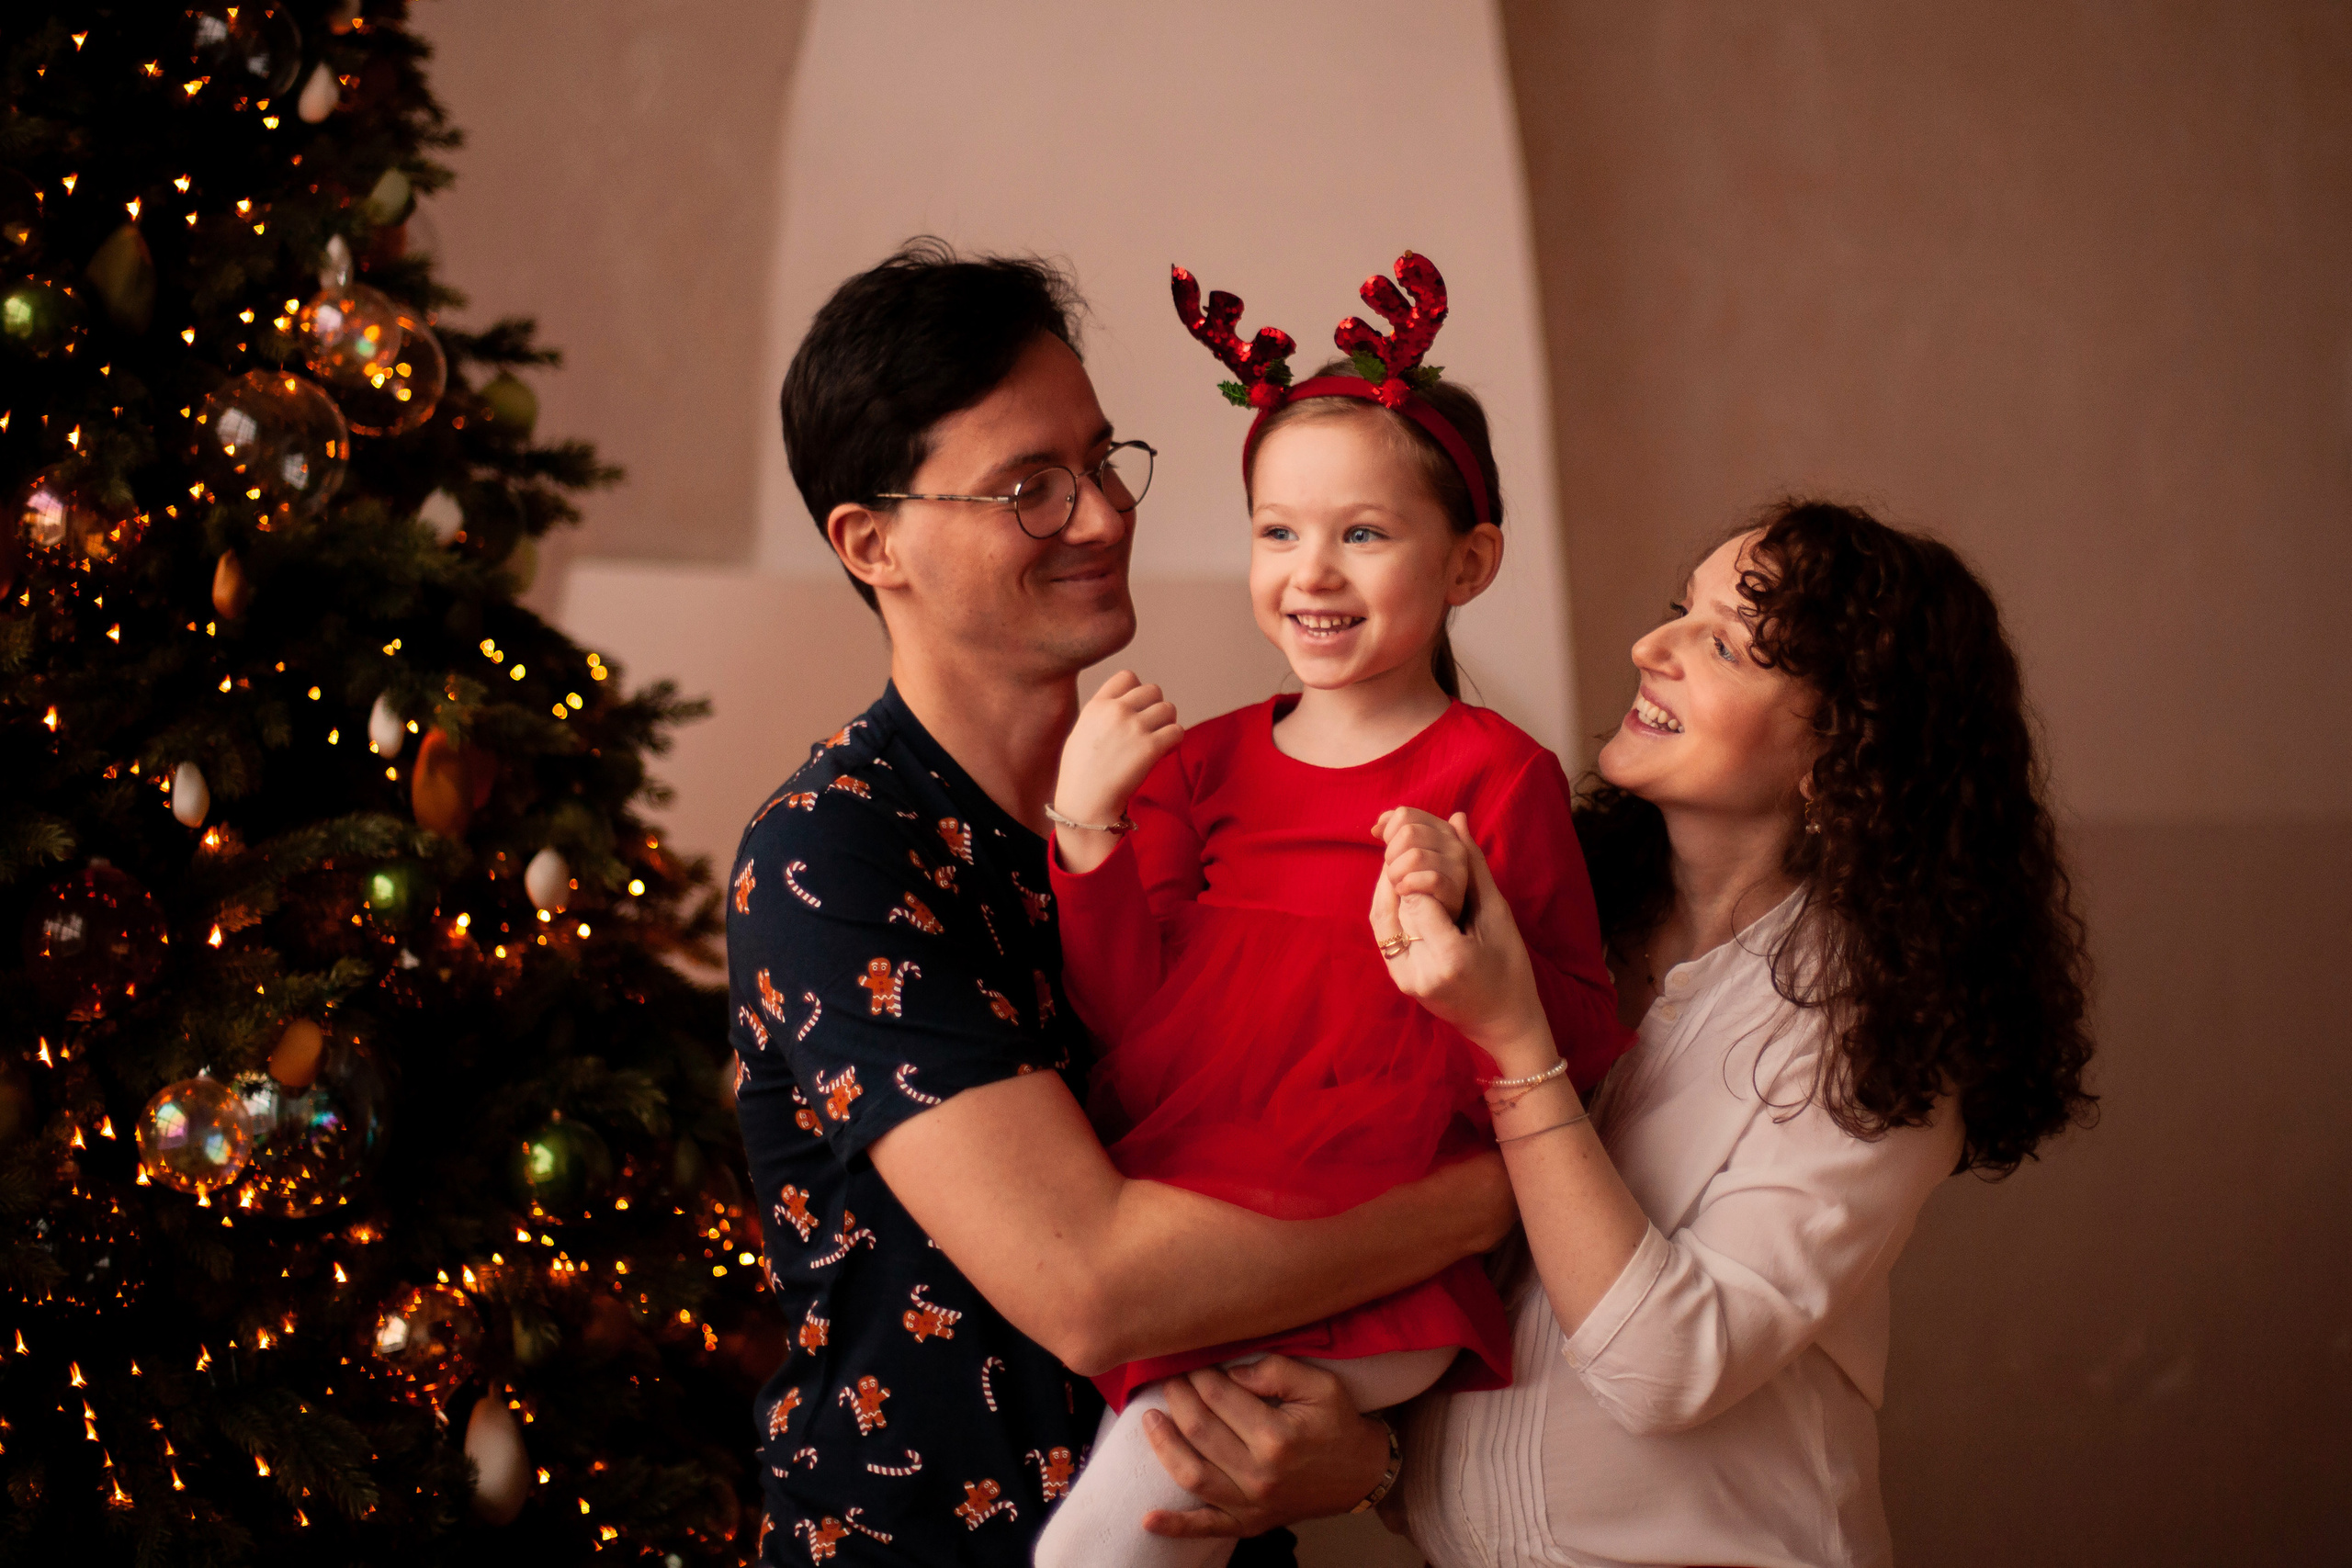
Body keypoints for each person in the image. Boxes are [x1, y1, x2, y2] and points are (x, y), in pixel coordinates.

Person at [726, 241, 1513, 1567]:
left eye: (1101, 461)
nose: (1100, 514)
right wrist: (1502, 1192)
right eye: (1029, 488)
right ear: (873, 542)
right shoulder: (833, 852)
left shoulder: (1207, 800)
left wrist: (1368, 1456)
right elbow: (1095, 1287)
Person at [1148, 501, 2097, 1566]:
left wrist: (1515, 1047)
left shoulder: (1884, 1027)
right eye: (1675, 612)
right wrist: (1377, 1469)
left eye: (1726, 643)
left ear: (1845, 753)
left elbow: (1664, 1368)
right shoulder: (1545, 915)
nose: (1651, 648)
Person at [1033, 254, 1625, 1568]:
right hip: (1207, 1224)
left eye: (1363, 532)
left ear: (1468, 562)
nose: (1315, 570)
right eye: (1278, 530)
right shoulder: (1200, 764)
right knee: (1116, 1536)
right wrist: (1085, 830)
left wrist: (1473, 936)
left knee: (1100, 1547)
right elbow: (1133, 1024)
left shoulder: (1497, 776)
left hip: (1373, 1253)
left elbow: (1580, 1030)